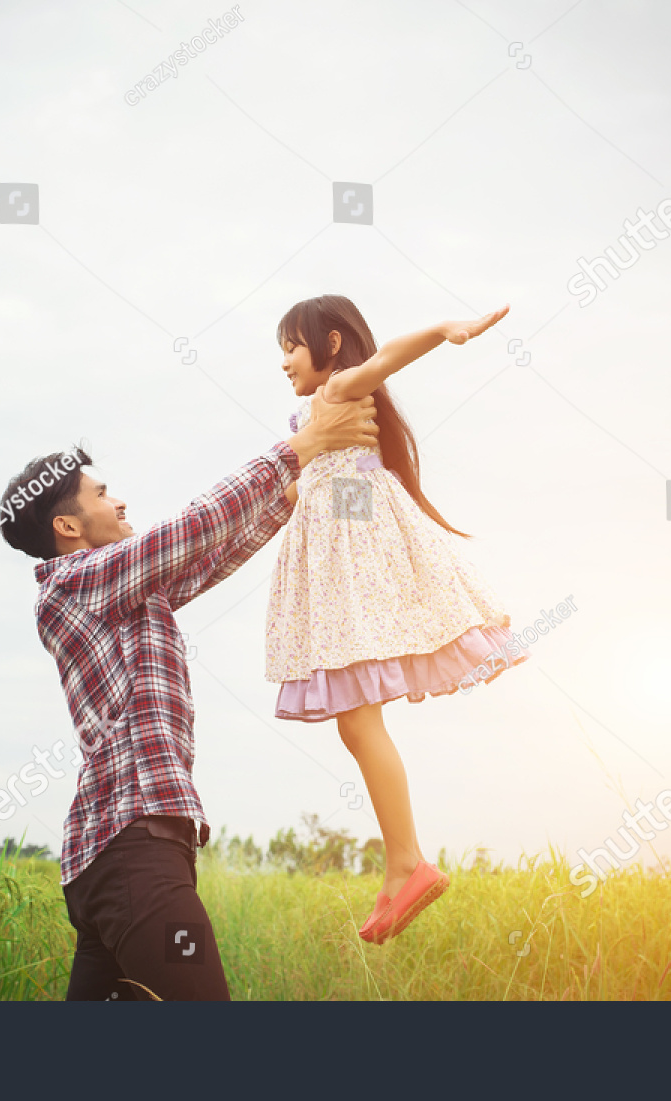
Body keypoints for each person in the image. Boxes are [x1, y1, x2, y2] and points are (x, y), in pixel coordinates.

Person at [0, 391, 379, 1000]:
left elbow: (208, 553)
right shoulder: (73, 584)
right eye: (102, 494)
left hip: (117, 860)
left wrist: (291, 494)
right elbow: (191, 527)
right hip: (134, 854)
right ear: (67, 527)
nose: (119, 500)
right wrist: (302, 445)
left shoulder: (124, 591)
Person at [266, 294, 526, 945]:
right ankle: (401, 866)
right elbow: (314, 489)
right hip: (350, 569)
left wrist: (442, 329)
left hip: (354, 574)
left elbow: (384, 360)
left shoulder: (339, 391)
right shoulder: (319, 419)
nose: (284, 362)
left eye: (291, 347)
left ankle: (406, 862)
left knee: (358, 722)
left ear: (330, 344)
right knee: (356, 723)